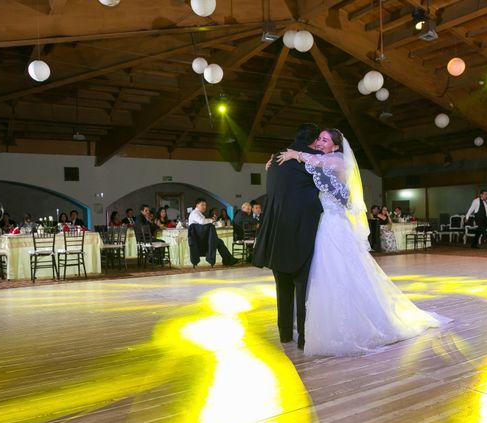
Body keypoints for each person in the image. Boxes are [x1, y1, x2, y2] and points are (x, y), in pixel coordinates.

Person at [276, 128, 443, 356]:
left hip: (335, 224)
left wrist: (296, 154)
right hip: (325, 224)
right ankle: (326, 320)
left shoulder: (337, 161)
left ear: (335, 146)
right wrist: (276, 160)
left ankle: (353, 323)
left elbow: (313, 161)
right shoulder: (324, 160)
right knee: (326, 273)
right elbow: (312, 165)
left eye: (324, 140)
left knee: (339, 271)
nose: (320, 142)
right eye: (319, 139)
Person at [253, 123, 324, 350]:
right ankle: (303, 337)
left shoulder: (275, 159)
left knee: (282, 286)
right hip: (301, 231)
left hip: (275, 233)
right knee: (303, 287)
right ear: (313, 141)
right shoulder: (312, 159)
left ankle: (285, 333)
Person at [188, 198, 239, 266]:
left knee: (219, 242)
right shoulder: (195, 213)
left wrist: (211, 220)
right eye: (202, 205)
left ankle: (228, 260)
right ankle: (228, 260)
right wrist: (211, 220)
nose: (204, 207)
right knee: (219, 242)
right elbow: (202, 221)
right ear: (197, 205)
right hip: (198, 240)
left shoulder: (199, 213)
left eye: (205, 205)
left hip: (203, 238)